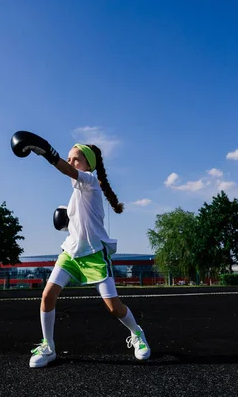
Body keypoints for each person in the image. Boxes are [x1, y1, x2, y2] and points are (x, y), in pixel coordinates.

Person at [11, 131, 151, 368]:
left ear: (88, 165)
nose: (71, 162)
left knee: (114, 308)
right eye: (69, 158)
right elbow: (76, 220)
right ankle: (49, 347)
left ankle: (137, 333)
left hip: (95, 254)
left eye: (75, 159)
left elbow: (66, 170)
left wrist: (44, 150)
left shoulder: (90, 182)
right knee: (47, 296)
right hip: (71, 254)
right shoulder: (78, 193)